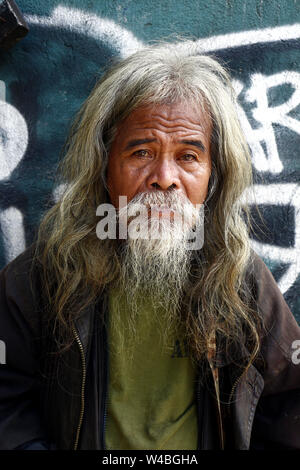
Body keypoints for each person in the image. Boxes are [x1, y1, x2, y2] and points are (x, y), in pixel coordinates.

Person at [0, 41, 299, 451]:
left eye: (188, 156)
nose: (164, 177)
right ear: (104, 166)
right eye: (141, 151)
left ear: (213, 176)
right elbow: (6, 403)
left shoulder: (241, 280)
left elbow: (290, 401)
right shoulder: (42, 276)